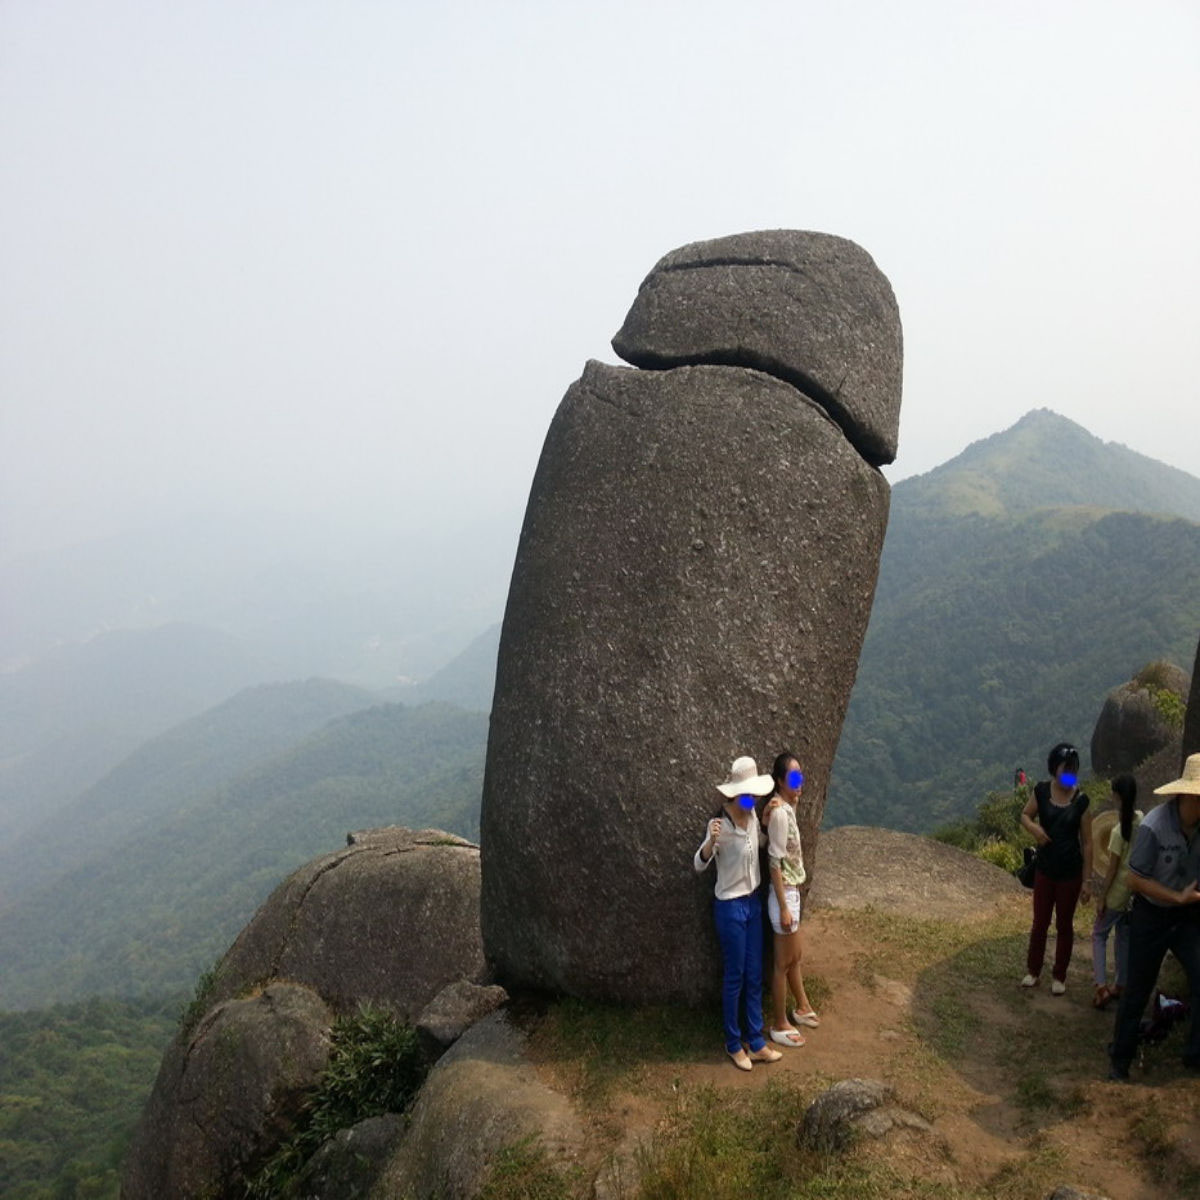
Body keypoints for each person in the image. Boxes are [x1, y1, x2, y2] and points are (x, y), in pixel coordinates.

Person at [1108, 753, 1200, 1081]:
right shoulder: (1154, 826)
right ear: (1189, 795)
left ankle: (1194, 1055)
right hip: (1151, 914)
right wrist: (1175, 896)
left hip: (1187, 916)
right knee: (1137, 990)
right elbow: (1134, 879)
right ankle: (1120, 1062)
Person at [694, 755, 783, 1071]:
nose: (752, 800)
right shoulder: (719, 825)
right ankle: (734, 1043)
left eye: (754, 795)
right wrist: (710, 844)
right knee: (736, 976)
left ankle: (756, 1041)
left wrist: (769, 818)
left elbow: (759, 843)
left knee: (754, 972)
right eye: (747, 795)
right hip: (730, 906)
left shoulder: (752, 818)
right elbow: (699, 863)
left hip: (752, 903)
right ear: (734, 794)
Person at [1020, 742, 1093, 994]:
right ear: (1054, 769)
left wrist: (1087, 881)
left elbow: (1088, 842)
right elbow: (1025, 815)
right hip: (1045, 869)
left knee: (1065, 924)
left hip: (1070, 873)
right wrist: (1035, 829)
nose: (1069, 774)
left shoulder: (1081, 800)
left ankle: (1059, 976)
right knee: (1040, 922)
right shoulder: (1041, 791)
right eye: (1065, 769)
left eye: (1072, 769)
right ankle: (1033, 971)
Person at [761, 751, 819, 1047]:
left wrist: (781, 803)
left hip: (791, 893)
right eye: (793, 778)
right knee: (783, 963)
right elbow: (774, 862)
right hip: (784, 895)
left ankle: (803, 1006)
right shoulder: (780, 813)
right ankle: (778, 1023)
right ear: (780, 781)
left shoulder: (784, 807)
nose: (799, 782)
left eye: (800, 776)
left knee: (795, 958)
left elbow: (763, 810)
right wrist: (783, 907)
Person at [1090, 775, 1142, 1009]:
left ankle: (1101, 987)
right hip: (1134, 893)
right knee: (1124, 937)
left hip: (1117, 894)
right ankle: (1121, 984)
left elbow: (1111, 870)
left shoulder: (1119, 831)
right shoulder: (1142, 819)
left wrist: (1101, 898)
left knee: (1099, 935)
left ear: (1118, 797)